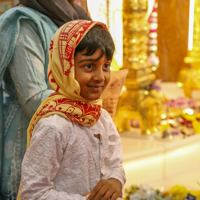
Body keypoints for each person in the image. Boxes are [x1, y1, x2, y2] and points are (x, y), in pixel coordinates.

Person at [20, 20, 126, 200]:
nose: (100, 77)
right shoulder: (54, 126)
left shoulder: (101, 117)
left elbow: (115, 161)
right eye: (89, 66)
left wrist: (116, 180)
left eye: (106, 66)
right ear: (65, 67)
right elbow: (33, 193)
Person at [0, 0, 91, 199]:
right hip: (29, 142)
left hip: (69, 140)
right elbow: (34, 98)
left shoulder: (71, 15)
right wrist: (89, 104)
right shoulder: (23, 21)